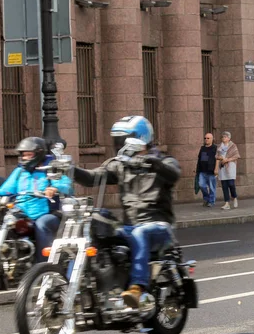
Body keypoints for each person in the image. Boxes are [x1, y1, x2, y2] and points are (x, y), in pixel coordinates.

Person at [73, 116, 180, 309]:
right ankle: (89, 285)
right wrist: (69, 169)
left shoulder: (163, 161)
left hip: (158, 226)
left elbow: (173, 174)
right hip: (129, 227)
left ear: (139, 138)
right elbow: (92, 178)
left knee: (140, 232)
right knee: (97, 221)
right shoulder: (119, 164)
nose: (118, 144)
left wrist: (153, 163)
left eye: (122, 139)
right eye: (117, 139)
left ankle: (137, 288)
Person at [0, 137, 72, 262]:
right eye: (23, 155)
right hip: (22, 211)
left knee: (42, 225)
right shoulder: (20, 171)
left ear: (39, 154)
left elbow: (65, 183)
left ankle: (44, 264)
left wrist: (54, 188)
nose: (25, 158)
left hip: (47, 213)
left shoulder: (51, 169)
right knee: (3, 222)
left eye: (29, 155)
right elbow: (6, 189)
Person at [216, 131, 241, 210]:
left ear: (229, 138)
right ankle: (227, 203)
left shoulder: (233, 146)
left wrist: (228, 159)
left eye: (225, 137)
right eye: (223, 137)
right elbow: (216, 156)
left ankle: (234, 197)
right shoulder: (220, 146)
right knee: (224, 185)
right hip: (222, 167)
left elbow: (236, 156)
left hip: (230, 166)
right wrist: (221, 158)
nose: (224, 138)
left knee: (231, 184)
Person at [196, 133, 218, 207]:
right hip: (202, 171)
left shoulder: (215, 148)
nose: (206, 139)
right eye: (205, 138)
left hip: (211, 171)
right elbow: (199, 159)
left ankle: (211, 202)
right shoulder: (202, 148)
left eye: (208, 138)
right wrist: (197, 170)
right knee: (201, 185)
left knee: (212, 187)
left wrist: (216, 169)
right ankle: (206, 198)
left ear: (212, 139)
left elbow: (218, 159)